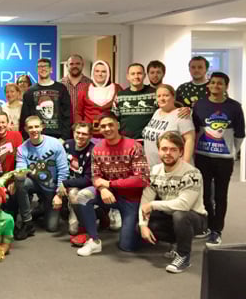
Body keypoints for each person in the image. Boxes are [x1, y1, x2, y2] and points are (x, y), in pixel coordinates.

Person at [73, 113, 150, 256]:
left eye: (110, 125)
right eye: (103, 126)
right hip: (109, 194)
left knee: (127, 246)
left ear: (118, 125)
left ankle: (142, 225)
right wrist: (102, 189)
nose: (107, 128)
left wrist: (109, 184)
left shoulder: (134, 146)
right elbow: (95, 176)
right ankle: (94, 241)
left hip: (131, 199)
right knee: (83, 196)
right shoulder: (97, 149)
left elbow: (142, 179)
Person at [139, 132, 207, 274]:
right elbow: (146, 201)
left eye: (173, 149)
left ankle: (184, 256)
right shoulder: (154, 171)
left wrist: (153, 205)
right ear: (159, 151)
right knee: (140, 225)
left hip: (194, 217)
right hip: (169, 214)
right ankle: (176, 243)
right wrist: (143, 225)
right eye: (164, 149)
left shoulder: (192, 173)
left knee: (180, 216)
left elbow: (184, 205)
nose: (168, 153)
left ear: (181, 152)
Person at [192, 72, 245, 246]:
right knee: (205, 194)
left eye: (220, 83)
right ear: (208, 85)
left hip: (224, 160)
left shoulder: (234, 107)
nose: (215, 86)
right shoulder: (199, 105)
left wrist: (232, 151)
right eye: (213, 82)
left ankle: (217, 230)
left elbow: (240, 134)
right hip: (202, 157)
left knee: (221, 195)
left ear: (226, 86)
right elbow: (193, 130)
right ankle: (208, 225)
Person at [16, 116, 69, 233]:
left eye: (36, 126)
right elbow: (20, 170)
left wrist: (59, 195)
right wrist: (18, 175)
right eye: (30, 127)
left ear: (42, 127)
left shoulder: (55, 144)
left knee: (51, 228)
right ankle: (27, 221)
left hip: (52, 187)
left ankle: (45, 207)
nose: (34, 130)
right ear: (26, 129)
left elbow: (63, 170)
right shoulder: (22, 149)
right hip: (35, 183)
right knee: (20, 182)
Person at [142, 85, 195, 167]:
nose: (162, 98)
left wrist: (184, 166)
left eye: (166, 95)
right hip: (155, 167)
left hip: (175, 167)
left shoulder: (181, 114)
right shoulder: (157, 112)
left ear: (173, 97)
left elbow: (190, 140)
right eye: (159, 96)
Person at [19, 58, 72, 140]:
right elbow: (25, 117)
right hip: (36, 136)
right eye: (40, 66)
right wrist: (27, 138)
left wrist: (64, 137)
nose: (43, 68)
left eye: (46, 66)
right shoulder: (29, 91)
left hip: (58, 137)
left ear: (51, 69)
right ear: (37, 70)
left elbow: (67, 114)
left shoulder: (61, 88)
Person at [57, 122, 95, 235]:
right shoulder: (67, 145)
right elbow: (58, 167)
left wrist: (65, 183)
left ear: (90, 136)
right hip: (68, 182)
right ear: (73, 133)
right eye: (78, 132)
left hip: (85, 187)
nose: (80, 136)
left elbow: (88, 179)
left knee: (73, 230)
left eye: (84, 134)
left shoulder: (93, 150)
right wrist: (58, 190)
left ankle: (89, 219)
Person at [75, 60, 123, 139]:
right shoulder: (85, 89)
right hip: (89, 135)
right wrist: (81, 129)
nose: (100, 74)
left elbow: (122, 112)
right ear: (93, 73)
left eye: (103, 71)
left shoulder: (117, 88)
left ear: (108, 73)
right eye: (97, 71)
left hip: (111, 134)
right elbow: (78, 112)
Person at [112, 63, 157, 141]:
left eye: (139, 73)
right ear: (128, 77)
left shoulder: (155, 94)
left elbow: (164, 113)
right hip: (126, 141)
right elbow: (113, 119)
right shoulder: (120, 96)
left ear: (144, 75)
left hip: (149, 141)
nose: (136, 76)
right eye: (133, 74)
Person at [60, 54, 91, 125]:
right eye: (71, 64)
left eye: (77, 63)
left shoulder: (90, 84)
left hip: (84, 126)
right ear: (67, 66)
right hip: (65, 125)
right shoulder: (60, 85)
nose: (74, 66)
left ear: (82, 65)